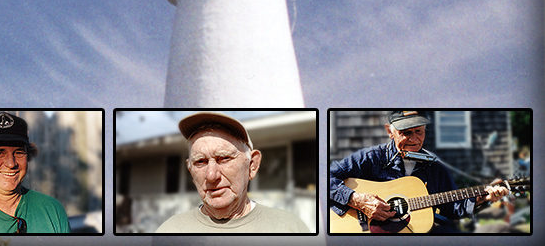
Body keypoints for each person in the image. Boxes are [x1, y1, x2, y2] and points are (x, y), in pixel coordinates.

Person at [328, 111, 510, 233]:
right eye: (405, 132)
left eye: (419, 132)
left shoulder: (434, 166)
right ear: (390, 131)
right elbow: (325, 178)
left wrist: (484, 197)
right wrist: (356, 200)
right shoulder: (371, 157)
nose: (414, 139)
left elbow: (452, 208)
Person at [156, 112, 310, 233]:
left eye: (223, 158)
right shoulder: (169, 232)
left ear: (252, 165)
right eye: (200, 162)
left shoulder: (290, 228)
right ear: (190, 170)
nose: (211, 175)